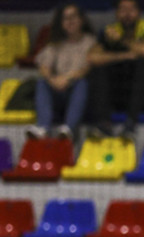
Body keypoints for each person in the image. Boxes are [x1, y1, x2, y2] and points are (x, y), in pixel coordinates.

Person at [86, 0, 144, 138]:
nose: (127, 14)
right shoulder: (109, 31)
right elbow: (92, 58)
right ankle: (104, 124)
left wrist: (121, 40)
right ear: (116, 13)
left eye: (131, 9)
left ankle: (131, 123)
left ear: (139, 12)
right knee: (98, 69)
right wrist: (125, 55)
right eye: (123, 10)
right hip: (120, 96)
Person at [28, 2, 97, 140]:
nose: (70, 21)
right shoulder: (55, 43)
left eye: (73, 17)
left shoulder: (92, 42)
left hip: (80, 94)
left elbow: (88, 67)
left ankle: (68, 129)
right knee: (42, 82)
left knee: (81, 83)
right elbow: (44, 66)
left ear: (82, 20)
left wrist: (67, 78)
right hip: (58, 91)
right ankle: (43, 128)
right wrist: (52, 79)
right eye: (66, 18)